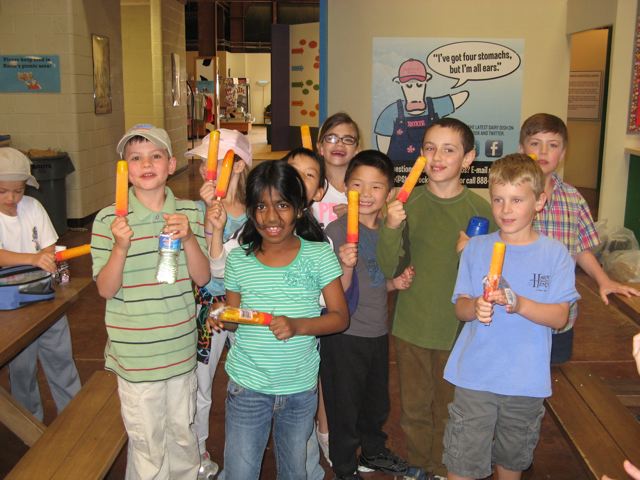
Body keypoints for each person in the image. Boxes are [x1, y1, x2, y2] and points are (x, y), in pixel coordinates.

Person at [208, 160, 349, 480]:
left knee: (294, 472)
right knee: (240, 472)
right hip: (247, 386)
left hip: (299, 389)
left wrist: (298, 325)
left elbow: (340, 317)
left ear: (299, 208)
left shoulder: (318, 255)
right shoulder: (239, 259)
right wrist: (221, 317)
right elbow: (234, 319)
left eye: (282, 205)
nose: (271, 217)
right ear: (250, 210)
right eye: (261, 206)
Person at [443, 153, 579, 480]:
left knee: (511, 459)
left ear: (539, 202)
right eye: (498, 199)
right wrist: (475, 306)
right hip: (475, 375)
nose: (506, 209)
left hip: (525, 380)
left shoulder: (555, 254)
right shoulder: (476, 248)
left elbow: (560, 318)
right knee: (462, 461)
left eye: (517, 200)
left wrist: (519, 304)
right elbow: (460, 306)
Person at [376, 117, 494, 479]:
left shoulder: (482, 211)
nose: (437, 157)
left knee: (450, 407)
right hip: (411, 325)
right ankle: (418, 465)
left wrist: (473, 254)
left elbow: (493, 276)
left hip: (458, 330)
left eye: (448, 149)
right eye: (429, 148)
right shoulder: (406, 204)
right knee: (413, 408)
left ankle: (445, 467)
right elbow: (387, 266)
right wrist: (390, 226)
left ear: (468, 159)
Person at [91, 124, 210, 479]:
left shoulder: (189, 213)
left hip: (179, 351)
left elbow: (203, 277)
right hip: (136, 357)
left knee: (183, 437)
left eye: (155, 156)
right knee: (148, 445)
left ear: (171, 164)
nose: (146, 164)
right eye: (135, 158)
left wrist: (189, 239)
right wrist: (120, 247)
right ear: (124, 169)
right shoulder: (108, 220)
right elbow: (105, 289)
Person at [322, 150, 416, 480]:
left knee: (376, 402)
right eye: (357, 184)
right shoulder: (336, 232)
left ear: (389, 194)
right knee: (344, 406)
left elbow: (374, 282)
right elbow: (332, 291)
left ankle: (373, 452)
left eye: (376, 187)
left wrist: (394, 284)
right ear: (346, 187)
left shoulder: (386, 233)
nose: (365, 193)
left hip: (377, 333)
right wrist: (343, 262)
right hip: (344, 336)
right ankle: (345, 467)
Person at [519, 113, 639, 364]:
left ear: (563, 153)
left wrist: (604, 280)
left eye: (552, 145)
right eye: (535, 143)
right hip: (519, 313)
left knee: (555, 372)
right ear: (522, 149)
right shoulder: (512, 196)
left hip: (560, 315)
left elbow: (580, 249)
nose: (543, 151)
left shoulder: (573, 199)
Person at [185, 128, 252, 479]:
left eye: (212, 162)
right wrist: (209, 221)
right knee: (200, 383)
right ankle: (197, 452)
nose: (203, 169)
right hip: (207, 306)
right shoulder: (197, 210)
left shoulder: (257, 213)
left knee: (250, 378)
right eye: (201, 163)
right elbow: (201, 266)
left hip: (246, 306)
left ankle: (249, 444)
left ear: (238, 166)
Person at [0, 147, 81, 422]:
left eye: (18, 191)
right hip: (11, 307)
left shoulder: (33, 207)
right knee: (22, 369)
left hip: (44, 296)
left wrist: (45, 257)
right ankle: (30, 423)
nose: (11, 198)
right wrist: (32, 258)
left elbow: (49, 245)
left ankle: (73, 415)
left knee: (61, 358)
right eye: (2, 191)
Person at [374, 58, 469, 166]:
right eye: (409, 86)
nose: (414, 91)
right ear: (400, 85)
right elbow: (383, 151)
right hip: (400, 173)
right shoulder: (390, 113)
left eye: (419, 85)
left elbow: (461, 97)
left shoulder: (435, 106)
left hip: (431, 169)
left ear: (425, 83)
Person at [313, 112, 361, 228]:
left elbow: (379, 228)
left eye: (348, 139)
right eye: (331, 138)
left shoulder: (365, 189)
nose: (339, 144)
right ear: (320, 147)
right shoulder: (310, 186)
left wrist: (358, 217)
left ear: (356, 150)